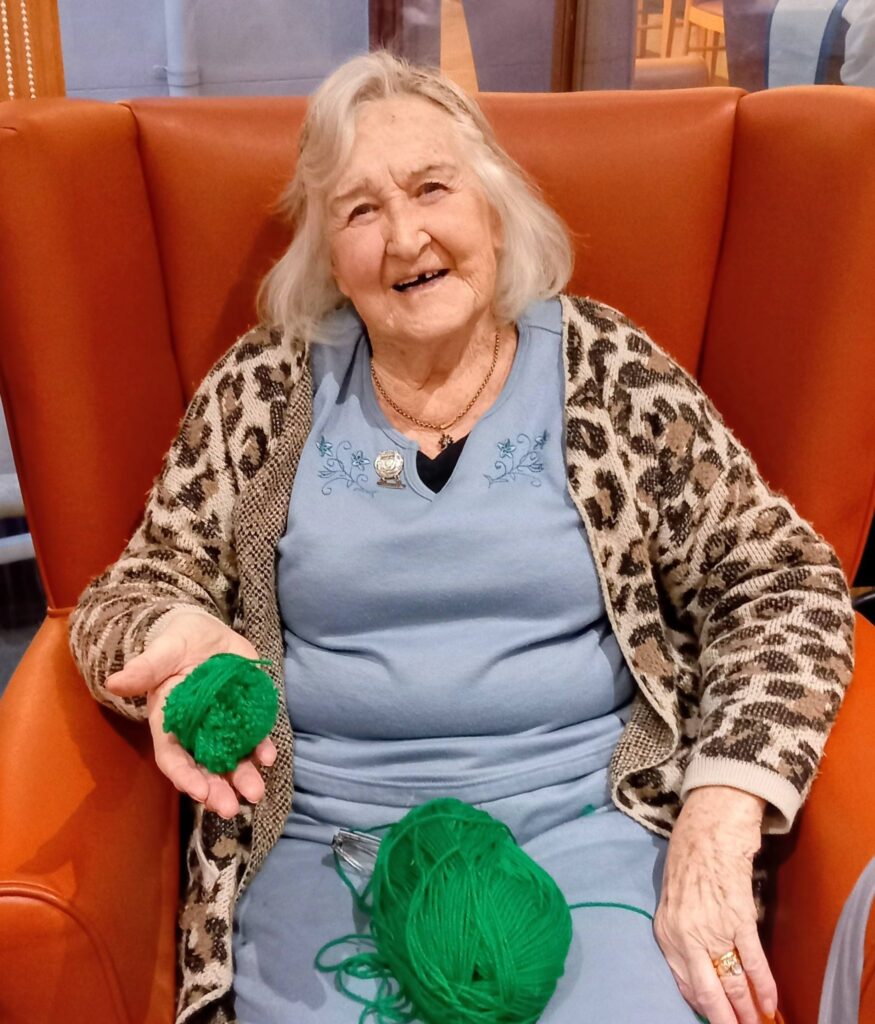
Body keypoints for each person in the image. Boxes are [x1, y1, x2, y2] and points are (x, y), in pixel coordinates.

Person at [69, 51, 854, 1024]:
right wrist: (168, 637)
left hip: (588, 825)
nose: (405, 237)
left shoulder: (605, 371)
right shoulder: (263, 391)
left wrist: (721, 807)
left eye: (431, 187)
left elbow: (778, 576)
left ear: (490, 204)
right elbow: (123, 595)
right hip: (325, 838)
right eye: (359, 210)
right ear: (326, 253)